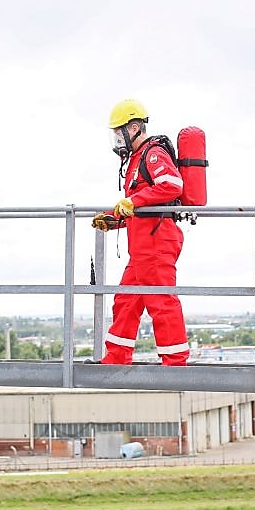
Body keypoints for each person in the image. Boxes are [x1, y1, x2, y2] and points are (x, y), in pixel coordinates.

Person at [92, 99, 189, 365]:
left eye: (118, 131)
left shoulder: (153, 153)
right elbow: (141, 206)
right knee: (126, 300)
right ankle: (117, 356)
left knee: (161, 302)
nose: (116, 139)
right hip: (143, 245)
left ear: (134, 127)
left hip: (157, 242)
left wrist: (132, 203)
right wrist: (114, 219)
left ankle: (175, 362)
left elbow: (171, 185)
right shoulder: (136, 159)